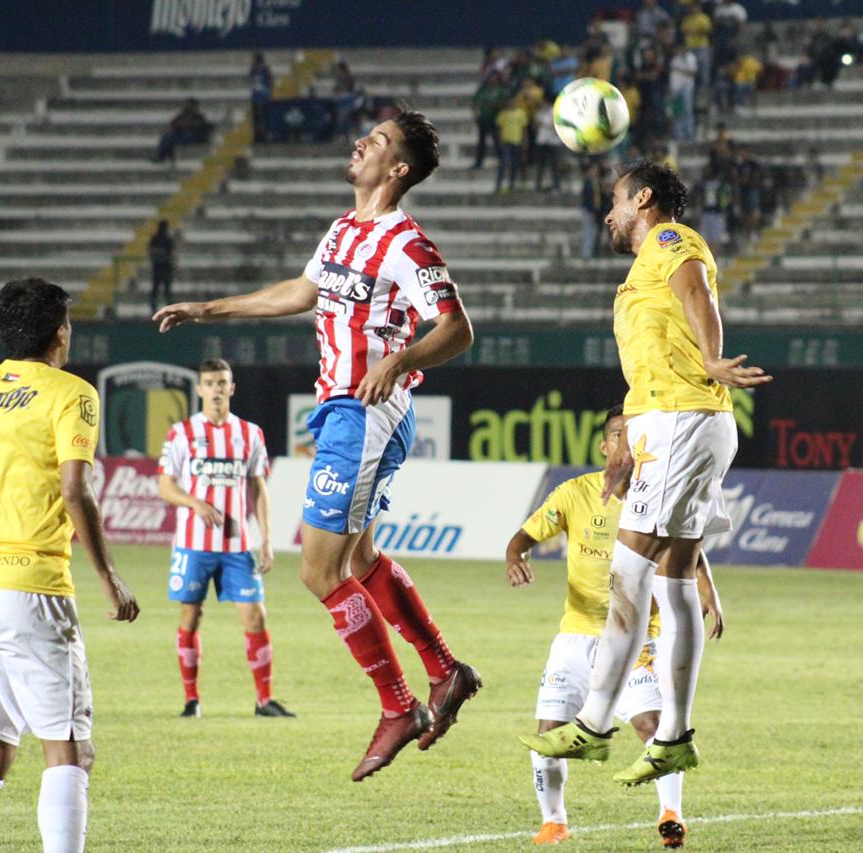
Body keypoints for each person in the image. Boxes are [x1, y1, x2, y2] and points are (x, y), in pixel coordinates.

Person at [153, 109, 481, 782]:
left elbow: (457, 328)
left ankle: (400, 705)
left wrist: (398, 360)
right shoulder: (343, 230)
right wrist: (207, 308)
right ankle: (445, 670)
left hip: (364, 413)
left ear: (397, 170)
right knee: (358, 560)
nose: (362, 140)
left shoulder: (405, 242)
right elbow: (302, 292)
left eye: (380, 140)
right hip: (348, 411)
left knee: (317, 569)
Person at [519, 160, 770, 785]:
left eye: (615, 200)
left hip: (685, 419)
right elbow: (651, 359)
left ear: (645, 199)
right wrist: (629, 432)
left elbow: (696, 291)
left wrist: (712, 357)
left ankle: (597, 722)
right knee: (673, 578)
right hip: (672, 421)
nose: (608, 212)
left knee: (628, 569)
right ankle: (673, 738)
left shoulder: (668, 240)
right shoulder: (638, 275)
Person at [0, 278, 140, 853]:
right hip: (32, 588)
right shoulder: (70, 393)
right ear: (60, 332)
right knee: (68, 748)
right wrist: (110, 580)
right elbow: (75, 489)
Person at [506, 406, 725, 849]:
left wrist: (707, 587)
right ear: (607, 445)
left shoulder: (657, 493)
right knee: (548, 736)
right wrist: (516, 556)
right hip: (575, 637)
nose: (627, 443)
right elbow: (524, 536)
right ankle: (554, 822)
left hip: (638, 638)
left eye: (634, 435)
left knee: (653, 725)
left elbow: (685, 544)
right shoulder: (574, 494)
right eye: (618, 435)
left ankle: (671, 814)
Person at [158, 358, 294, 720]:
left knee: (255, 618)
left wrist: (266, 540)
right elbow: (165, 485)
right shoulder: (182, 433)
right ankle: (191, 700)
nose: (216, 389)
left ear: (231, 388)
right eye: (209, 383)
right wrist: (193, 502)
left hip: (237, 546)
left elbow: (259, 488)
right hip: (193, 544)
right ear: (199, 389)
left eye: (222, 383)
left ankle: (264, 700)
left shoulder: (250, 433)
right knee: (190, 616)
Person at [153, 98, 212, 165]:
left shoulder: (199, 117)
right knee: (167, 138)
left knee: (185, 136)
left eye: (189, 106)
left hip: (193, 137)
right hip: (180, 135)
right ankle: (161, 157)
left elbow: (204, 128)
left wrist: (192, 125)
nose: (187, 108)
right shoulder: (182, 116)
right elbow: (173, 124)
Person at [472, 71, 509, 169]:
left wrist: (495, 105)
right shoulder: (483, 90)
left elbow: (505, 103)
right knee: (481, 141)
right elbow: (475, 102)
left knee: (496, 140)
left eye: (494, 77)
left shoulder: (500, 90)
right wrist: (476, 115)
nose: (492, 79)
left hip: (494, 118)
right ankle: (479, 161)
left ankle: (502, 160)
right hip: (483, 118)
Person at [495, 95, 529, 194]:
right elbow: (500, 128)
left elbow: (524, 129)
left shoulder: (521, 114)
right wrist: (500, 140)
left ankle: (512, 185)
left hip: (517, 141)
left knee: (515, 164)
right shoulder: (503, 114)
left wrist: (524, 141)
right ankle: (499, 185)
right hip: (507, 141)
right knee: (504, 163)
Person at [148, 220, 175, 314]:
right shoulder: (163, 239)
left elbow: (152, 252)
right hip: (162, 268)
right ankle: (158, 310)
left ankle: (157, 310)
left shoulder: (158, 239)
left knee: (161, 290)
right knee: (162, 290)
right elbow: (170, 254)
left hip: (160, 267)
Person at [249, 52, 273, 143]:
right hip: (255, 97)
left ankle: (265, 135)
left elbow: (270, 82)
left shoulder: (265, 70)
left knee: (264, 117)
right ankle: (257, 135)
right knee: (256, 118)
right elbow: (251, 80)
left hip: (264, 97)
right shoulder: (253, 70)